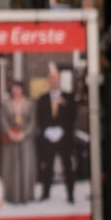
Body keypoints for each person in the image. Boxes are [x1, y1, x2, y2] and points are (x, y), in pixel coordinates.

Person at [36, 68, 82, 201]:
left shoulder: (68, 97)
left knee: (67, 166)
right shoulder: (43, 98)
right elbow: (40, 117)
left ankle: (70, 194)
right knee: (47, 166)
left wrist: (62, 129)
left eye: (56, 78)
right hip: (48, 138)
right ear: (48, 80)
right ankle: (46, 193)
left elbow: (72, 116)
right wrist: (47, 130)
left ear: (60, 80)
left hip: (64, 138)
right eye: (51, 78)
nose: (53, 81)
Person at [0, 77, 37, 205]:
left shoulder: (30, 104)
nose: (16, 90)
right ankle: (11, 195)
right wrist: (10, 133)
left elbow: (33, 121)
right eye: (14, 88)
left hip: (26, 139)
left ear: (23, 89)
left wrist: (24, 133)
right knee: (11, 165)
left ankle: (26, 194)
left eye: (18, 88)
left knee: (26, 164)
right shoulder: (6, 104)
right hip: (10, 139)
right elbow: (3, 120)